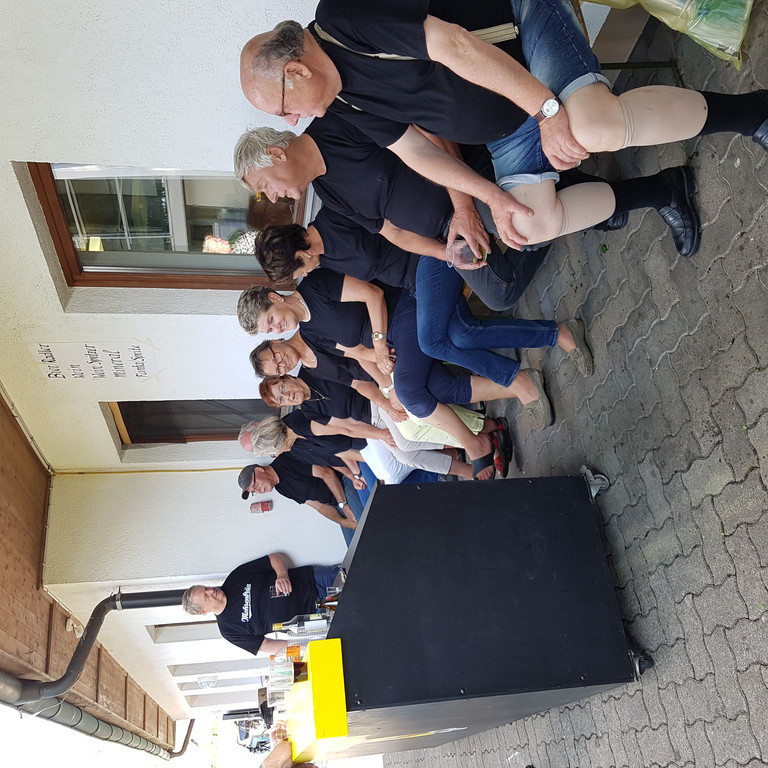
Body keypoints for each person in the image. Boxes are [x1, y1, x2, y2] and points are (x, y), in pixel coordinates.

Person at [238, 4, 768, 257]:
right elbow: (417, 151)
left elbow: (454, 45)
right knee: (530, 225)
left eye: (283, 108)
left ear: (296, 71)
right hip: (511, 125)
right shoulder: (341, 103)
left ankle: (753, 114)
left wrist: (546, 111)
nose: (290, 121)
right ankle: (665, 189)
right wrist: (491, 198)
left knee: (592, 126)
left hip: (524, 28)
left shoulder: (344, 18)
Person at [238, 281, 575, 479]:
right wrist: (388, 391)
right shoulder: (312, 353)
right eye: (277, 371)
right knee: (433, 396)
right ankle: (514, 390)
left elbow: (367, 337)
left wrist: (389, 386)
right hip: (388, 358)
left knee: (414, 400)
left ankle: (479, 441)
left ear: (276, 342)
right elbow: (358, 367)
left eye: (275, 356)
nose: (281, 366)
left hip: (397, 322)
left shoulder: (312, 313)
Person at [258, 372, 513, 477]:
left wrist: (381, 432)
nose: (287, 396)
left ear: (287, 377)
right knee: (406, 456)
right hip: (372, 418)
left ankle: (483, 434)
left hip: (377, 399)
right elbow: (347, 431)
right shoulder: (308, 409)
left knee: (406, 441)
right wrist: (379, 436)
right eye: (281, 399)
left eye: (282, 390)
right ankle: (473, 462)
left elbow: (348, 426)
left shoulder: (311, 378)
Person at [181, 552, 342, 656]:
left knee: (353, 580)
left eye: (206, 588)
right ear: (203, 611)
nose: (211, 591)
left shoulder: (235, 578)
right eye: (206, 596)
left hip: (314, 581)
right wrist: (304, 648)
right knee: (352, 616)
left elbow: (274, 558)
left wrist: (282, 575)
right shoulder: (229, 630)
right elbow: (266, 645)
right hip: (314, 620)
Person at [255, 207, 420, 292]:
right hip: (413, 284)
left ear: (301, 255)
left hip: (419, 255)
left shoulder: (334, 216)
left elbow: (394, 220)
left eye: (300, 273)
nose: (305, 274)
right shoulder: (324, 260)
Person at [238, 458, 359, 533]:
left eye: (255, 485)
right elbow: (319, 506)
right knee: (354, 548)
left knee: (362, 529)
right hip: (339, 504)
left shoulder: (285, 462)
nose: (258, 491)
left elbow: (327, 473)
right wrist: (342, 521)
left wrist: (344, 506)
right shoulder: (281, 489)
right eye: (254, 491)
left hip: (344, 484)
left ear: (259, 470)